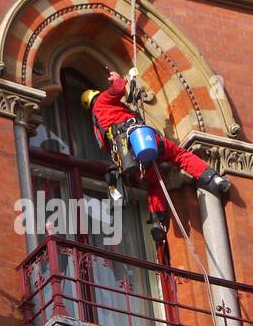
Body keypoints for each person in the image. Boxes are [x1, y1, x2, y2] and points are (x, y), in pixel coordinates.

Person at [81, 69, 231, 242]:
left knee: (153, 184)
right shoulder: (102, 101)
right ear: (95, 96)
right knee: (179, 155)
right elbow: (119, 89)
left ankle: (157, 223)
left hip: (130, 158)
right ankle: (214, 179)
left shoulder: (98, 129)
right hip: (142, 140)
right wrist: (116, 78)